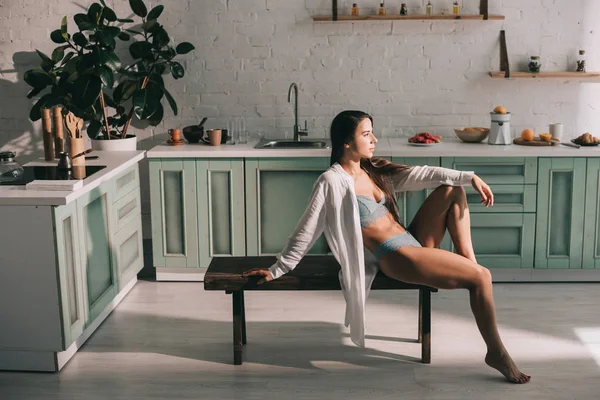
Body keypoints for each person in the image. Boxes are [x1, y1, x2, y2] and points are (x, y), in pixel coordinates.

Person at [243, 110, 530, 384]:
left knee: (451, 188)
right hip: (396, 256)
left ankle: (467, 262)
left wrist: (469, 177)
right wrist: (277, 269)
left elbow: (422, 173)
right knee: (482, 277)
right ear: (346, 142)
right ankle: (497, 352)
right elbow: (306, 229)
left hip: (412, 239)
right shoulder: (331, 181)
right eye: (366, 134)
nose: (374, 139)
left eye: (372, 133)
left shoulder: (372, 168)